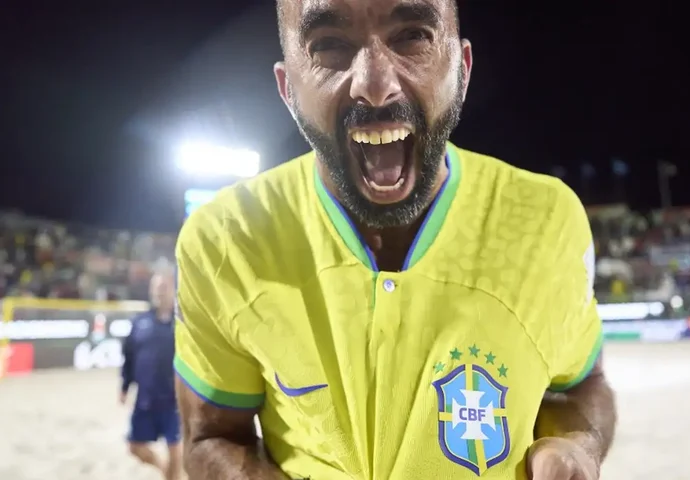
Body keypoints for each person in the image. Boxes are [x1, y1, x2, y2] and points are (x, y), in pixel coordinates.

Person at [173, 1, 617, 479]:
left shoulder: (545, 221)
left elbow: (579, 385)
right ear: (288, 89)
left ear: (462, 69)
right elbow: (212, 436)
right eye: (329, 45)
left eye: (412, 36)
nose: (375, 84)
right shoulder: (227, 239)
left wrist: (577, 446)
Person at [121, 271, 182, 480]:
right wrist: (124, 386)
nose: (158, 292)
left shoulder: (181, 323)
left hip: (175, 400)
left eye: (163, 287)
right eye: (155, 288)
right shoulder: (140, 322)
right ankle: (165, 471)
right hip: (146, 399)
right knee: (134, 447)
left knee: (176, 450)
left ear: (173, 290)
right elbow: (129, 356)